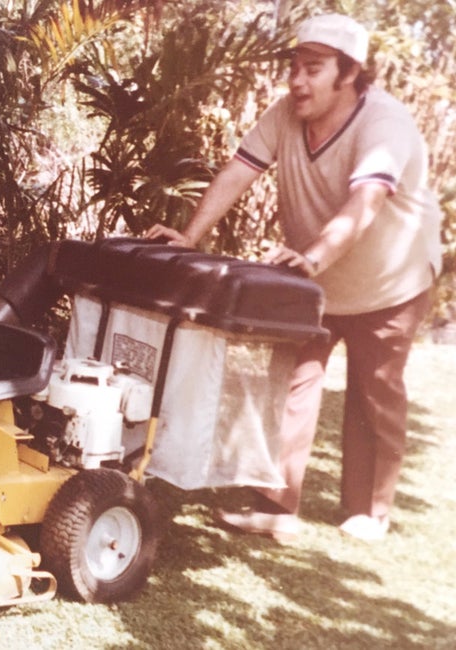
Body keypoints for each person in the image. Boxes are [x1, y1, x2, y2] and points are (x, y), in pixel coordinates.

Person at [147, 13, 442, 541]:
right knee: (291, 385)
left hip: (391, 282)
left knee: (376, 394)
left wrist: (314, 258)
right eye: (294, 67)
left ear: (349, 73)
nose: (297, 81)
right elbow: (239, 171)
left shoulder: (385, 125)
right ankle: (276, 507)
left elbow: (367, 198)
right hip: (316, 280)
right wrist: (190, 238)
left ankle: (370, 512)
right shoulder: (285, 115)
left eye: (313, 69)